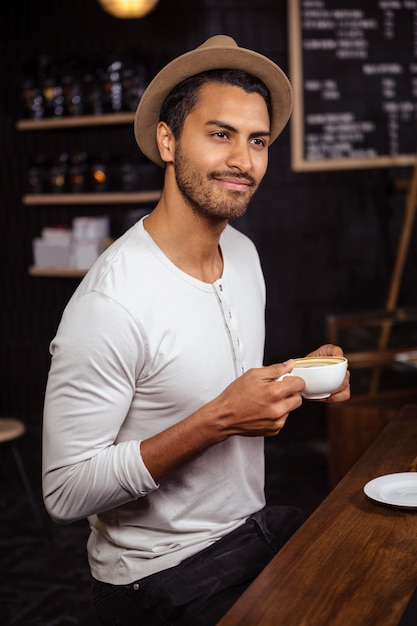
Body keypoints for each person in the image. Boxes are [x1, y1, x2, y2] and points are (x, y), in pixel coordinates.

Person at [42, 35, 350, 625]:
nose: (244, 160)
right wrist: (221, 419)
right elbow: (64, 491)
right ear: (167, 140)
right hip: (156, 577)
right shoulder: (113, 300)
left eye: (257, 140)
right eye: (220, 134)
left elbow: (204, 381)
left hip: (248, 533)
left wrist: (298, 378)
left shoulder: (244, 254)